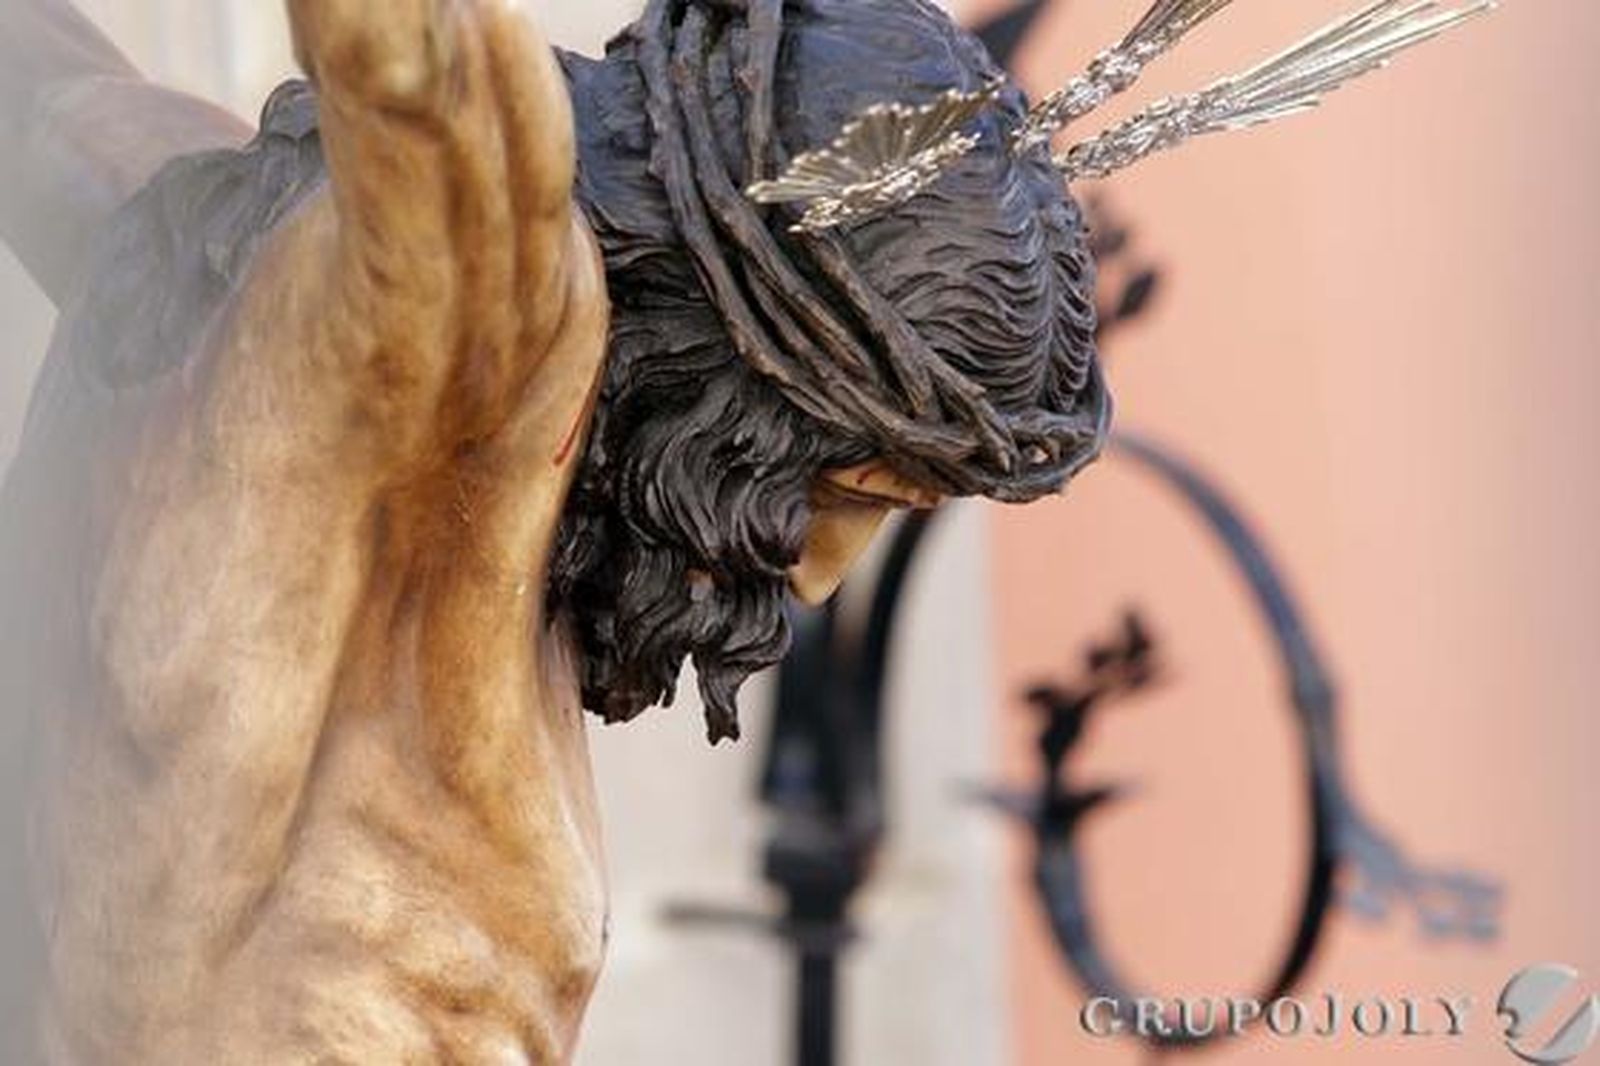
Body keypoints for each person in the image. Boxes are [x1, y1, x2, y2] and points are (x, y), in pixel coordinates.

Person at [0, 0, 1486, 1060]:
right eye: (848, 495)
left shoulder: (220, 299)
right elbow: (413, 72)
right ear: (729, 360)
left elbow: (46, 91)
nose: (819, 576)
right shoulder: (484, 335)